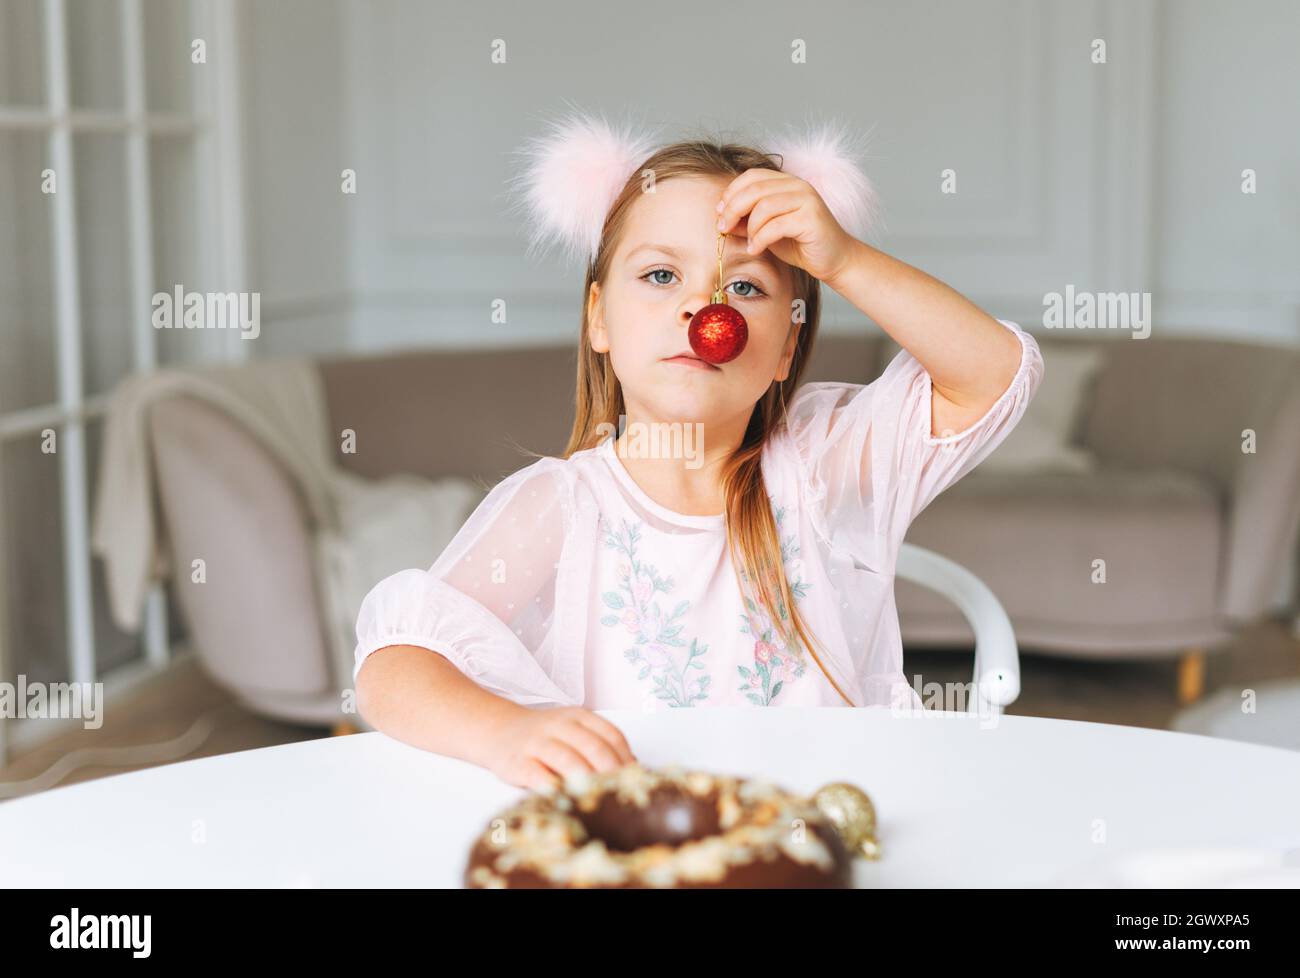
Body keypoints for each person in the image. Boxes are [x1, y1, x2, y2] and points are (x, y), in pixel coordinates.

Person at [353, 113, 1044, 789]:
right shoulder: (563, 506)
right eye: (659, 276)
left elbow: (995, 375)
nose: (702, 310)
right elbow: (394, 664)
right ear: (599, 318)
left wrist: (845, 259)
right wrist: (505, 732)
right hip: (647, 849)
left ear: (786, 349)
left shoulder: (816, 465)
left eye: (744, 287)